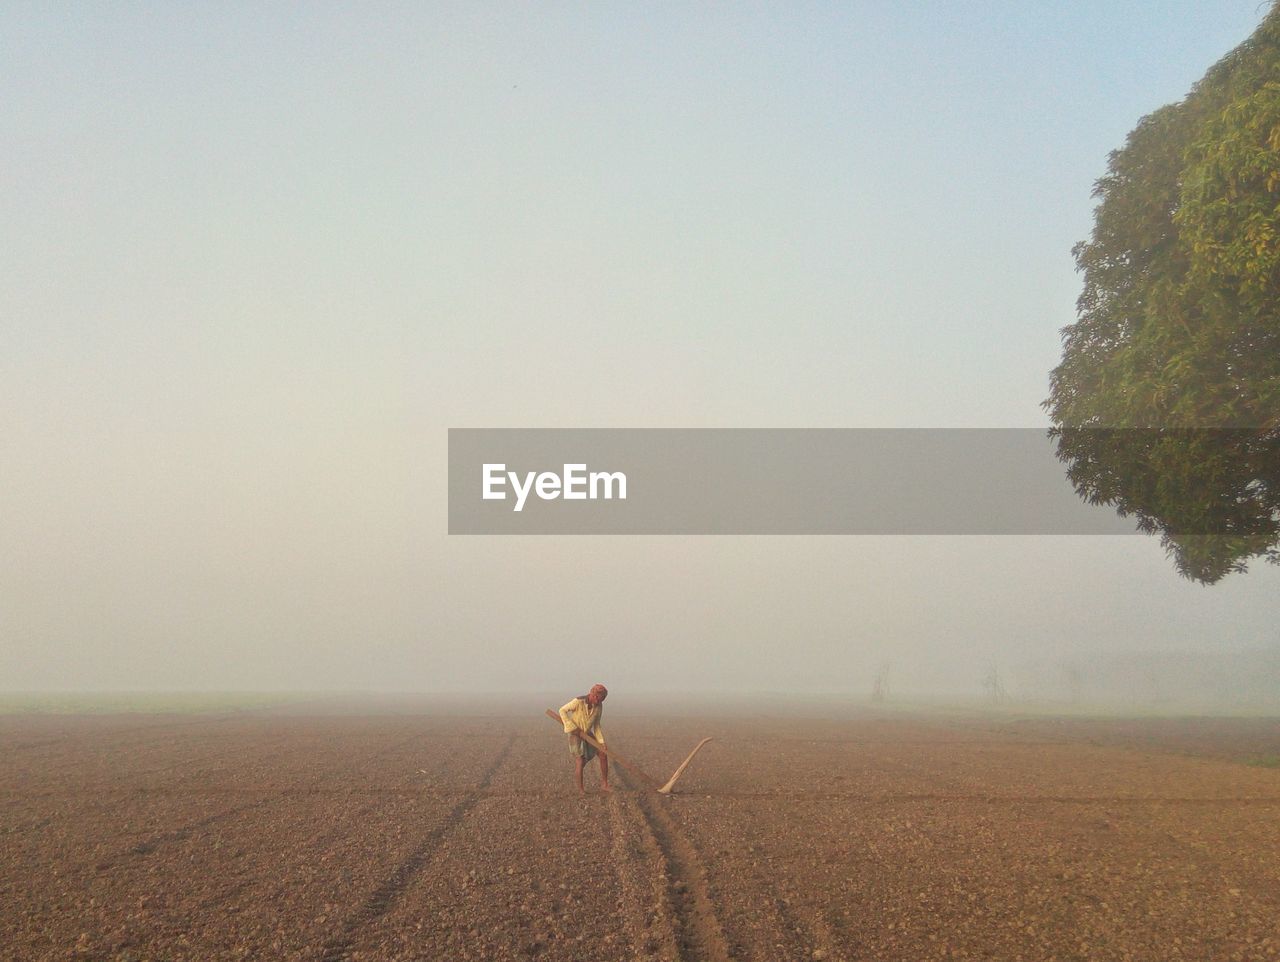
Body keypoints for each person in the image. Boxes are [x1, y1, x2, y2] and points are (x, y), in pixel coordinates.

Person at [559, 684, 610, 795]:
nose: (598, 701)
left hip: (586, 733)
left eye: (601, 700)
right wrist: (571, 726)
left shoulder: (599, 706)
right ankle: (581, 790)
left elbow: (596, 725)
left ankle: (604, 784)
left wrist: (601, 742)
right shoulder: (578, 701)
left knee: (603, 753)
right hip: (575, 734)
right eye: (597, 698)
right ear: (592, 694)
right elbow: (562, 710)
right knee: (580, 761)